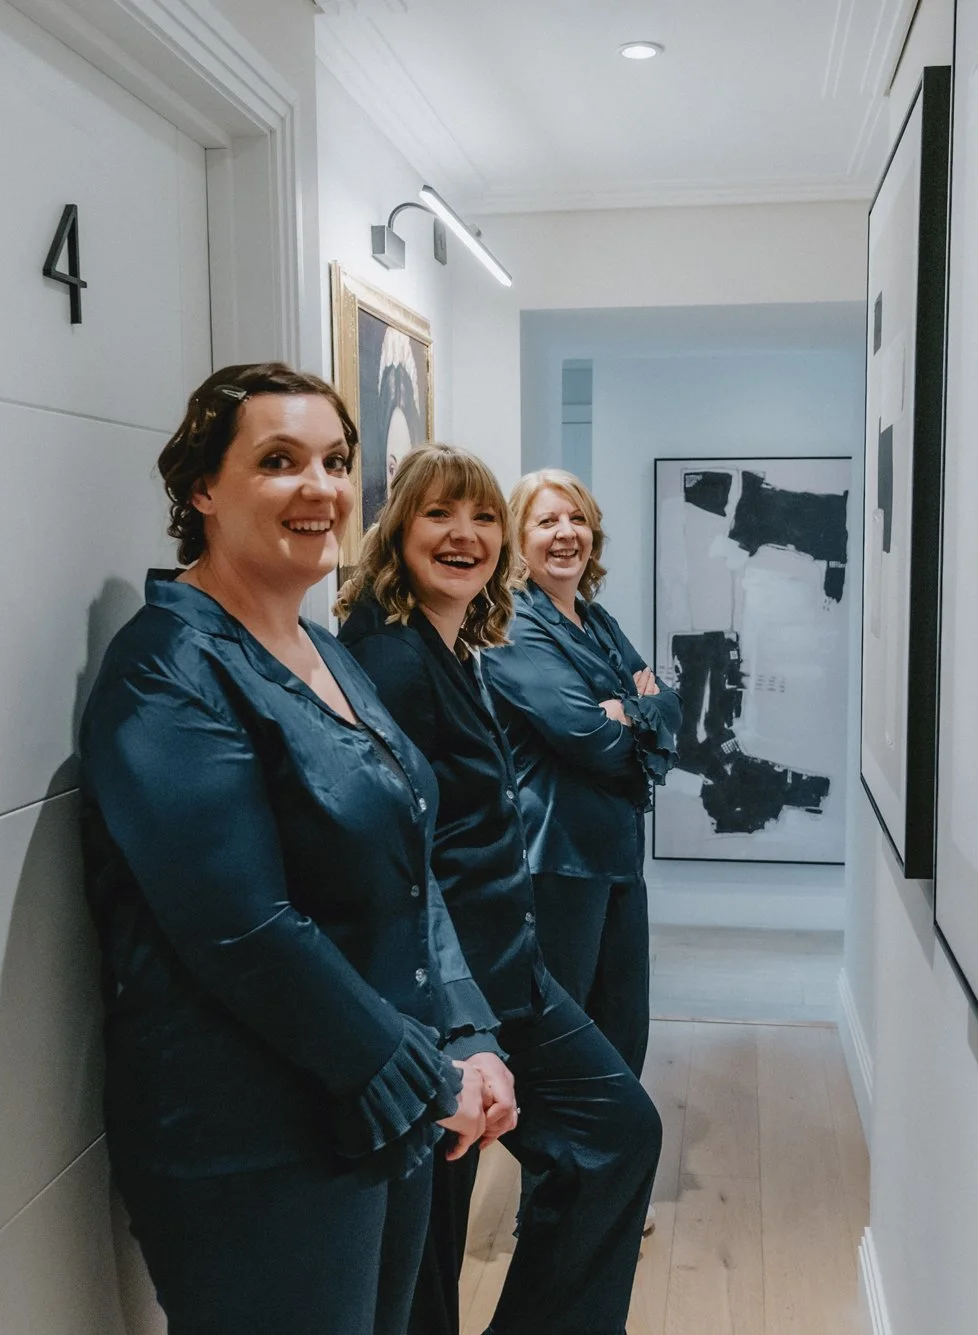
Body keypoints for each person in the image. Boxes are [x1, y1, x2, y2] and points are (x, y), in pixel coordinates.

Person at [78, 365, 514, 1335]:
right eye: (278, 462)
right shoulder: (165, 673)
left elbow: (411, 854)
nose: (319, 488)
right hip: (256, 1136)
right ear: (201, 489)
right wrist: (421, 1072)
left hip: (384, 1104)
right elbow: (241, 928)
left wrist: (466, 1032)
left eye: (335, 462)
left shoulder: (330, 651)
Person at [337, 445, 662, 1335]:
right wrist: (459, 1014)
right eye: (443, 514)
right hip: (451, 990)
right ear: (397, 527)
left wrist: (640, 710)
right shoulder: (393, 662)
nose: (466, 534)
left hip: (502, 966)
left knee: (608, 1138)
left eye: (481, 517)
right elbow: (401, 853)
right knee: (449, 1216)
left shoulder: (447, 647)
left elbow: (656, 713)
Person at [482, 470, 680, 1081]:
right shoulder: (513, 626)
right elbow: (589, 737)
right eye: (546, 521)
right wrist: (636, 712)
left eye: (576, 518)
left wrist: (638, 712)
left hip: (617, 851)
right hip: (559, 861)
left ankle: (612, 1171)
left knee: (623, 1033)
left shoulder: (596, 621)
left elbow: (670, 709)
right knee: (568, 1046)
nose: (566, 533)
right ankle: (565, 1176)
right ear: (518, 539)